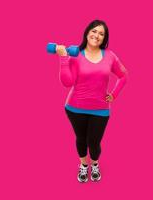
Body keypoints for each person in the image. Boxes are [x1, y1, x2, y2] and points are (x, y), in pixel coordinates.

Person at [56, 20, 128, 183]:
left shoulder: (110, 56)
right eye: (94, 31)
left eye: (101, 34)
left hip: (100, 109)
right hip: (75, 107)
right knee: (81, 139)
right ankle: (83, 166)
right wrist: (63, 59)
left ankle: (94, 164)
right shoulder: (75, 54)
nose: (97, 35)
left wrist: (114, 94)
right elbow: (67, 82)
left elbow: (124, 76)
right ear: (87, 32)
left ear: (104, 38)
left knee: (94, 142)